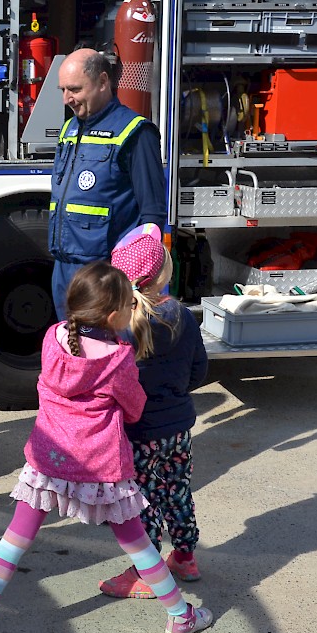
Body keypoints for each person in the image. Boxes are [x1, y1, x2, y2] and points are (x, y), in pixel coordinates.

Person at [0, 261, 214, 633]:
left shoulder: (53, 337)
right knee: (138, 544)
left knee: (14, 541)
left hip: (48, 462)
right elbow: (135, 408)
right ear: (112, 315)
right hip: (101, 468)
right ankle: (179, 615)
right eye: (128, 306)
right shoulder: (119, 358)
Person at [100, 227, 209, 598]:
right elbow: (199, 371)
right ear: (166, 272)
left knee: (140, 500)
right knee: (177, 489)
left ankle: (145, 570)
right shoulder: (184, 316)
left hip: (136, 432)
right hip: (178, 426)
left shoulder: (119, 327)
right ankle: (185, 555)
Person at [49, 48, 167, 320]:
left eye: (75, 89)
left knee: (110, 357)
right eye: (62, 90)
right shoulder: (70, 128)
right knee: (71, 352)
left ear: (103, 82)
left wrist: (137, 279)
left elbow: (153, 212)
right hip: (64, 269)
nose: (67, 99)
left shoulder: (135, 132)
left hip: (105, 276)